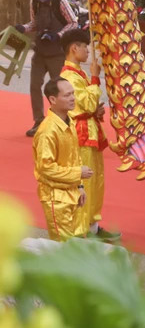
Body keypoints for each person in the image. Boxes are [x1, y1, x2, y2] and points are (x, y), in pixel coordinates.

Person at [59, 30, 120, 242]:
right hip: (81, 133)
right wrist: (95, 77)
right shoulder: (69, 76)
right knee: (83, 183)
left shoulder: (78, 74)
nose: (88, 50)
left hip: (90, 129)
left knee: (96, 181)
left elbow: (88, 105)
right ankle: (79, 231)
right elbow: (86, 102)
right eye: (85, 46)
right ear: (73, 48)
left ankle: (92, 227)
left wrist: (95, 111)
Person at [15, 0, 79, 137]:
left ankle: (63, 121)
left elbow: (73, 22)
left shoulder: (60, 1)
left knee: (59, 88)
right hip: (40, 51)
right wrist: (24, 28)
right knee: (35, 86)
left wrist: (57, 35)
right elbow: (34, 23)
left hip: (57, 51)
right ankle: (38, 121)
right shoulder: (34, 2)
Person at [33, 77, 94, 241]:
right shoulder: (47, 131)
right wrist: (78, 173)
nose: (73, 98)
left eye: (73, 94)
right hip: (56, 198)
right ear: (52, 99)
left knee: (75, 244)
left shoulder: (69, 122)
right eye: (67, 95)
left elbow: (75, 155)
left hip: (71, 192)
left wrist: (80, 185)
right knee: (64, 248)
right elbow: (45, 168)